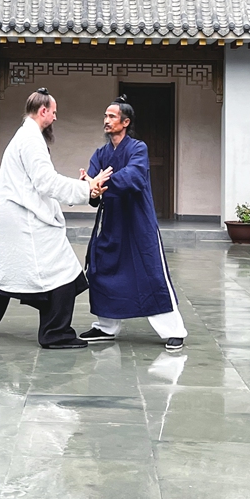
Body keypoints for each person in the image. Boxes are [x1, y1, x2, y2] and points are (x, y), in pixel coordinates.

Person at [0, 88, 113, 349]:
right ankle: (55, 334)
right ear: (43, 111)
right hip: (22, 219)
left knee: (5, 274)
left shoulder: (27, 136)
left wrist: (84, 189)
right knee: (61, 270)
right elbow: (46, 182)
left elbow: (41, 181)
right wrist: (87, 190)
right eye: (54, 113)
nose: (55, 118)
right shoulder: (30, 139)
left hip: (19, 217)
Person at [80, 95, 189, 350]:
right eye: (105, 116)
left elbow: (134, 176)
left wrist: (100, 183)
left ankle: (174, 330)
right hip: (111, 222)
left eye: (112, 116)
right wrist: (90, 187)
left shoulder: (138, 148)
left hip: (138, 222)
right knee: (102, 270)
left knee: (150, 273)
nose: (106, 121)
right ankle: (106, 327)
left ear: (125, 122)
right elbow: (93, 183)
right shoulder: (100, 153)